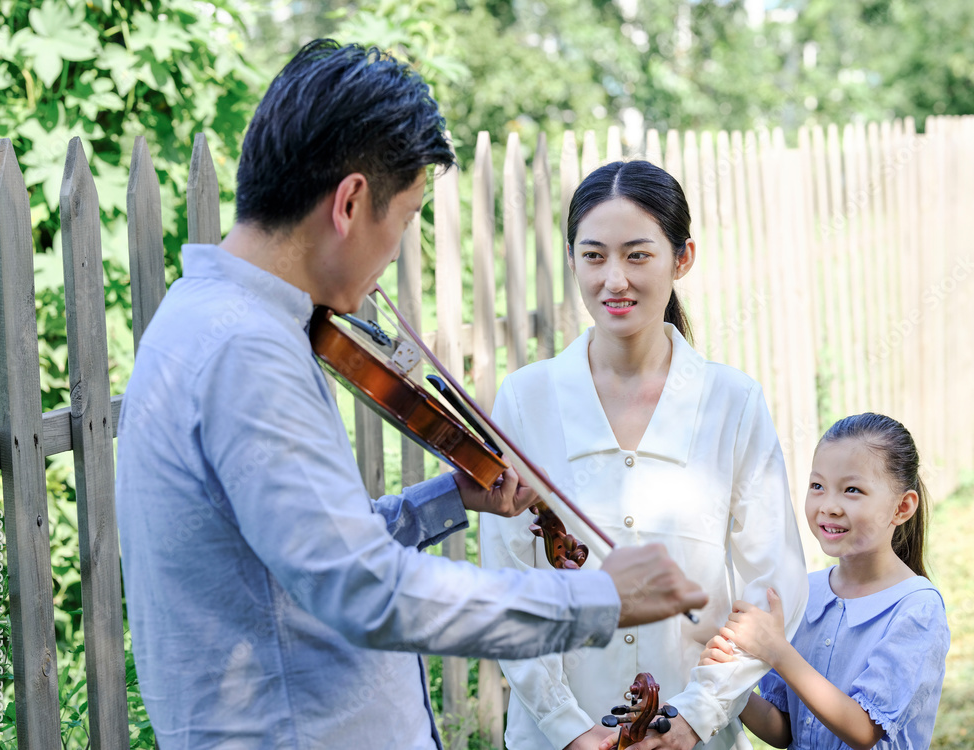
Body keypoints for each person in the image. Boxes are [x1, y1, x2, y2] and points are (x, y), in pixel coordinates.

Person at [114, 40, 708, 749]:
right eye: (406, 216)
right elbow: (362, 588)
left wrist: (446, 499)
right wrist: (600, 597)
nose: (397, 250)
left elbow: (300, 552)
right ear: (351, 202)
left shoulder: (207, 317)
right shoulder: (246, 349)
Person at [479, 159, 809, 750]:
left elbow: (771, 581)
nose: (614, 279)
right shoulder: (524, 399)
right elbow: (508, 583)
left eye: (637, 255)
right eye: (593, 255)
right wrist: (567, 728)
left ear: (682, 259)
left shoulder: (733, 401)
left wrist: (696, 715)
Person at [699, 413, 949, 749]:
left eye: (852, 490)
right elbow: (783, 729)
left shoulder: (917, 610)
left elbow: (864, 731)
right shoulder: (804, 592)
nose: (828, 506)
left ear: (902, 507)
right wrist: (731, 684)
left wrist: (775, 650)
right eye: (817, 486)